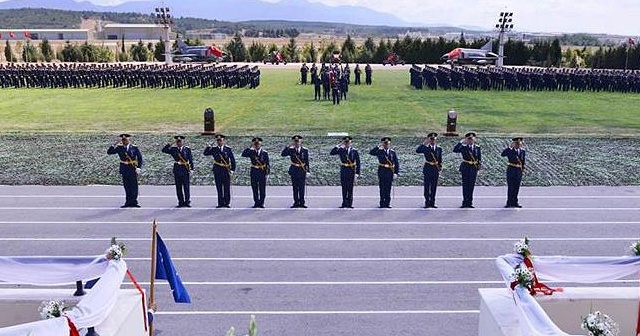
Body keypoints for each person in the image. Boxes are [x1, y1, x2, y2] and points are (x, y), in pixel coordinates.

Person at [107, 133, 143, 208]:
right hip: (124, 168)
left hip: (132, 168)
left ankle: (134, 202)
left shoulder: (134, 148)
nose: (124, 141)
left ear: (129, 140)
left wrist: (139, 167)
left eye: (126, 139)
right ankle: (128, 202)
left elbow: (139, 158)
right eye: (123, 140)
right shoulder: (119, 148)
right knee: (126, 186)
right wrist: (115, 143)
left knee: (134, 186)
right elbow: (109, 152)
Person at [204, 134, 236, 208]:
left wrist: (232, 169)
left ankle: (227, 203)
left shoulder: (228, 149)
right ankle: (220, 203)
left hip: (225, 169)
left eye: (220, 140)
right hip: (217, 169)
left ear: (223, 141)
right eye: (218, 140)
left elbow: (232, 159)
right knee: (219, 187)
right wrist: (208, 147)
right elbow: (205, 154)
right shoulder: (214, 149)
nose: (219, 142)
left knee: (226, 187)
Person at [162, 135, 194, 208]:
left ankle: (187, 202)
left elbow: (191, 159)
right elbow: (164, 150)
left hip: (185, 169)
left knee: (186, 187)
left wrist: (192, 169)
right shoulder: (173, 149)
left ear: (183, 141)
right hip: (177, 169)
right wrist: (171, 143)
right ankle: (180, 202)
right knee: (178, 187)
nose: (179, 143)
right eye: (178, 141)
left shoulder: (187, 149)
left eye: (180, 141)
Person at [330, 136, 361, 208]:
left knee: (350, 188)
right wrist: (340, 145)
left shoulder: (354, 151)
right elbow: (332, 153)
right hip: (344, 170)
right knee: (344, 187)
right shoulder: (341, 150)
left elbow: (358, 163)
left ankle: (350, 204)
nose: (347, 144)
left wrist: (357, 173)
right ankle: (344, 203)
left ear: (351, 143)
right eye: (345, 142)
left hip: (351, 170)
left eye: (348, 142)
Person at [453, 132, 482, 208]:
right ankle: (465, 202)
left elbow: (479, 158)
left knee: (471, 185)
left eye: (472, 139)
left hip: (473, 168)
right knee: (465, 185)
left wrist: (479, 166)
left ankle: (470, 202)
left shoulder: (477, 147)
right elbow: (455, 150)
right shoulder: (463, 147)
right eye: (469, 139)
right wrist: (461, 142)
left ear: (474, 139)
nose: (470, 140)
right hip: (465, 167)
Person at [369, 137, 399, 208]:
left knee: (388, 188)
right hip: (382, 171)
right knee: (382, 188)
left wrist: (396, 173)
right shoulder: (379, 151)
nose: (386, 145)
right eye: (385, 143)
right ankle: (382, 203)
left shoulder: (392, 152)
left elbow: (396, 163)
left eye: (387, 144)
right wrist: (378, 146)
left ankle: (387, 203)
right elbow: (371, 152)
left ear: (389, 144)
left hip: (389, 171)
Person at [281, 135, 310, 208]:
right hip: (294, 170)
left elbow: (307, 161)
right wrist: (289, 146)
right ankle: (296, 202)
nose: (297, 143)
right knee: (295, 187)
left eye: (298, 142)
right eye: (295, 142)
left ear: (301, 142)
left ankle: (302, 202)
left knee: (301, 187)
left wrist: (308, 171)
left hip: (302, 170)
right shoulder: (291, 149)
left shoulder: (305, 150)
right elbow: (283, 154)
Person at [242, 137, 270, 208]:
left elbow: (267, 164)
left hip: (262, 172)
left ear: (261, 144)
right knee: (254, 188)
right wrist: (250, 147)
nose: (257, 145)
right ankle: (256, 202)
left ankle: (261, 203)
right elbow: (243, 154)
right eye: (255, 144)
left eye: (258, 144)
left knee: (262, 189)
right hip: (254, 171)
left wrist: (267, 173)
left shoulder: (264, 153)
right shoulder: (251, 152)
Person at [416, 132, 442, 208]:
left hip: (435, 168)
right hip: (428, 167)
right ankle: (427, 201)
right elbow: (418, 150)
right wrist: (424, 143)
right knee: (427, 186)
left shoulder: (439, 148)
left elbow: (440, 159)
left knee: (434, 186)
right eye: (431, 139)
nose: (432, 141)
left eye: (434, 139)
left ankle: (432, 202)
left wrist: (440, 167)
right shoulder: (426, 148)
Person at [501, 137, 526, 208]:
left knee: (516, 187)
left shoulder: (522, 151)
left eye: (519, 144)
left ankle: (515, 202)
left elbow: (523, 161)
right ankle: (509, 202)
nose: (518, 145)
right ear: (514, 144)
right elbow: (502, 154)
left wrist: (523, 168)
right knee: (511, 186)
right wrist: (509, 147)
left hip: (518, 170)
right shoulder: (510, 151)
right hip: (511, 170)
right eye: (516, 143)